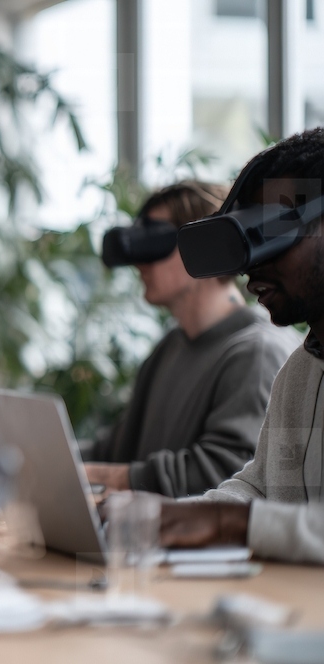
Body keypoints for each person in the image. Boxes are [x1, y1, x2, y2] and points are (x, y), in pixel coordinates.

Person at [160, 127, 324, 564]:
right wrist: (164, 516)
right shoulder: (302, 369)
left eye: (272, 235)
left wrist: (231, 525)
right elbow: (259, 487)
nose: (252, 272)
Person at [83, 182, 300, 497]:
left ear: (205, 246)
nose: (139, 262)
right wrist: (27, 452)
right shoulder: (171, 346)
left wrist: (93, 474)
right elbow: (116, 447)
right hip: (142, 537)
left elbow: (228, 475)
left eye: (154, 242)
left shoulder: (256, 352)